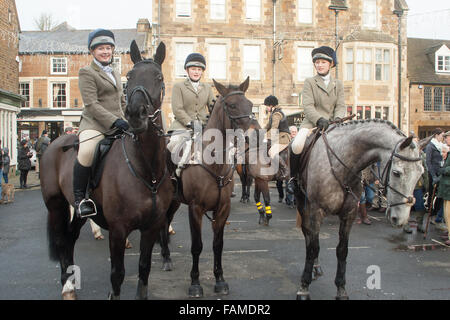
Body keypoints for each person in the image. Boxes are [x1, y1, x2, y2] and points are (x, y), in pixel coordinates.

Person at [74, 28, 128, 218]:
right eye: (100, 49)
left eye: (108, 48)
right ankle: (81, 199)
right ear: (92, 51)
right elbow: (91, 104)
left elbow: (122, 100)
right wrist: (115, 121)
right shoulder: (86, 72)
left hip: (120, 123)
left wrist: (128, 119)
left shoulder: (115, 72)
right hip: (94, 124)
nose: (105, 52)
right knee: (87, 151)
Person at [288, 46, 346, 193]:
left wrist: (338, 118)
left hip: (333, 124)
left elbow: (340, 105)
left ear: (330, 64)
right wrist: (319, 119)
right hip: (312, 124)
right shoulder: (310, 82)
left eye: (323, 62)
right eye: (317, 62)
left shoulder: (338, 84)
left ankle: (352, 181)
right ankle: (293, 178)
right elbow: (307, 106)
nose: (319, 65)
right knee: (297, 145)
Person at [166, 52, 215, 175]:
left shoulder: (208, 88)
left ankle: (223, 181)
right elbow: (177, 109)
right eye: (193, 69)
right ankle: (174, 174)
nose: (196, 72)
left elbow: (212, 107)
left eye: (199, 69)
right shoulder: (179, 86)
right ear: (187, 70)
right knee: (173, 144)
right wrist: (190, 122)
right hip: (182, 126)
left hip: (204, 126)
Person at [264, 95, 291, 179]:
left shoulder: (277, 114)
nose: (266, 108)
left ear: (271, 105)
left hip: (284, 138)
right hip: (279, 138)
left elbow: (274, 128)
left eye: (267, 106)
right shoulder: (273, 113)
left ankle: (286, 170)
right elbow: (267, 126)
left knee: (271, 152)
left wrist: (267, 138)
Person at [425, 128, 445, 229]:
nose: (443, 137)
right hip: (433, 174)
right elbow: (428, 161)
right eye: (442, 135)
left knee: (440, 195)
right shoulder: (430, 146)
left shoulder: (441, 146)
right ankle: (431, 213)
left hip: (440, 173)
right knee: (432, 195)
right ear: (436, 135)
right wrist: (433, 175)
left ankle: (436, 213)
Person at [438, 131, 450, 245]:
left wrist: (444, 170)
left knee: (449, 213)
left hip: (449, 187)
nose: (445, 139)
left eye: (447, 137)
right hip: (446, 187)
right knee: (446, 213)